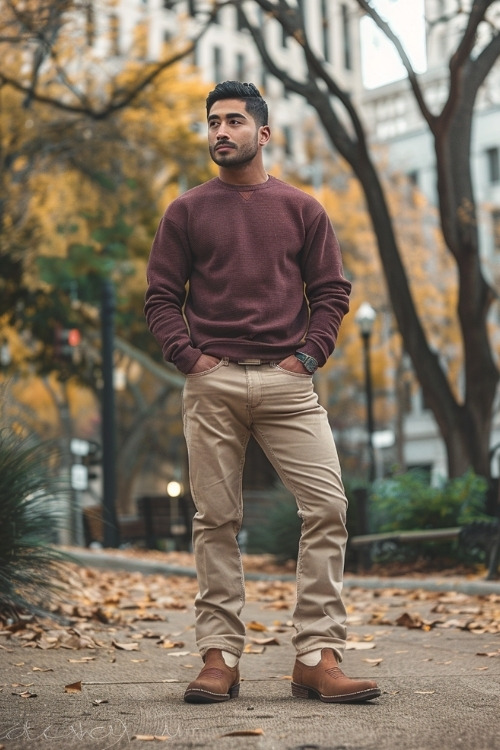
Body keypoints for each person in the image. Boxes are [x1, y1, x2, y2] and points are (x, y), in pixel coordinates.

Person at [145, 81, 380, 705]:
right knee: (215, 520)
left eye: (233, 122)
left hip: (287, 381)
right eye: (213, 122)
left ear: (263, 133)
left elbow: (331, 291)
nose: (220, 132)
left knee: (327, 508)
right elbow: (161, 298)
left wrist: (309, 356)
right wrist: (190, 358)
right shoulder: (186, 211)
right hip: (212, 382)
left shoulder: (302, 209)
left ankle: (317, 657)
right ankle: (219, 658)